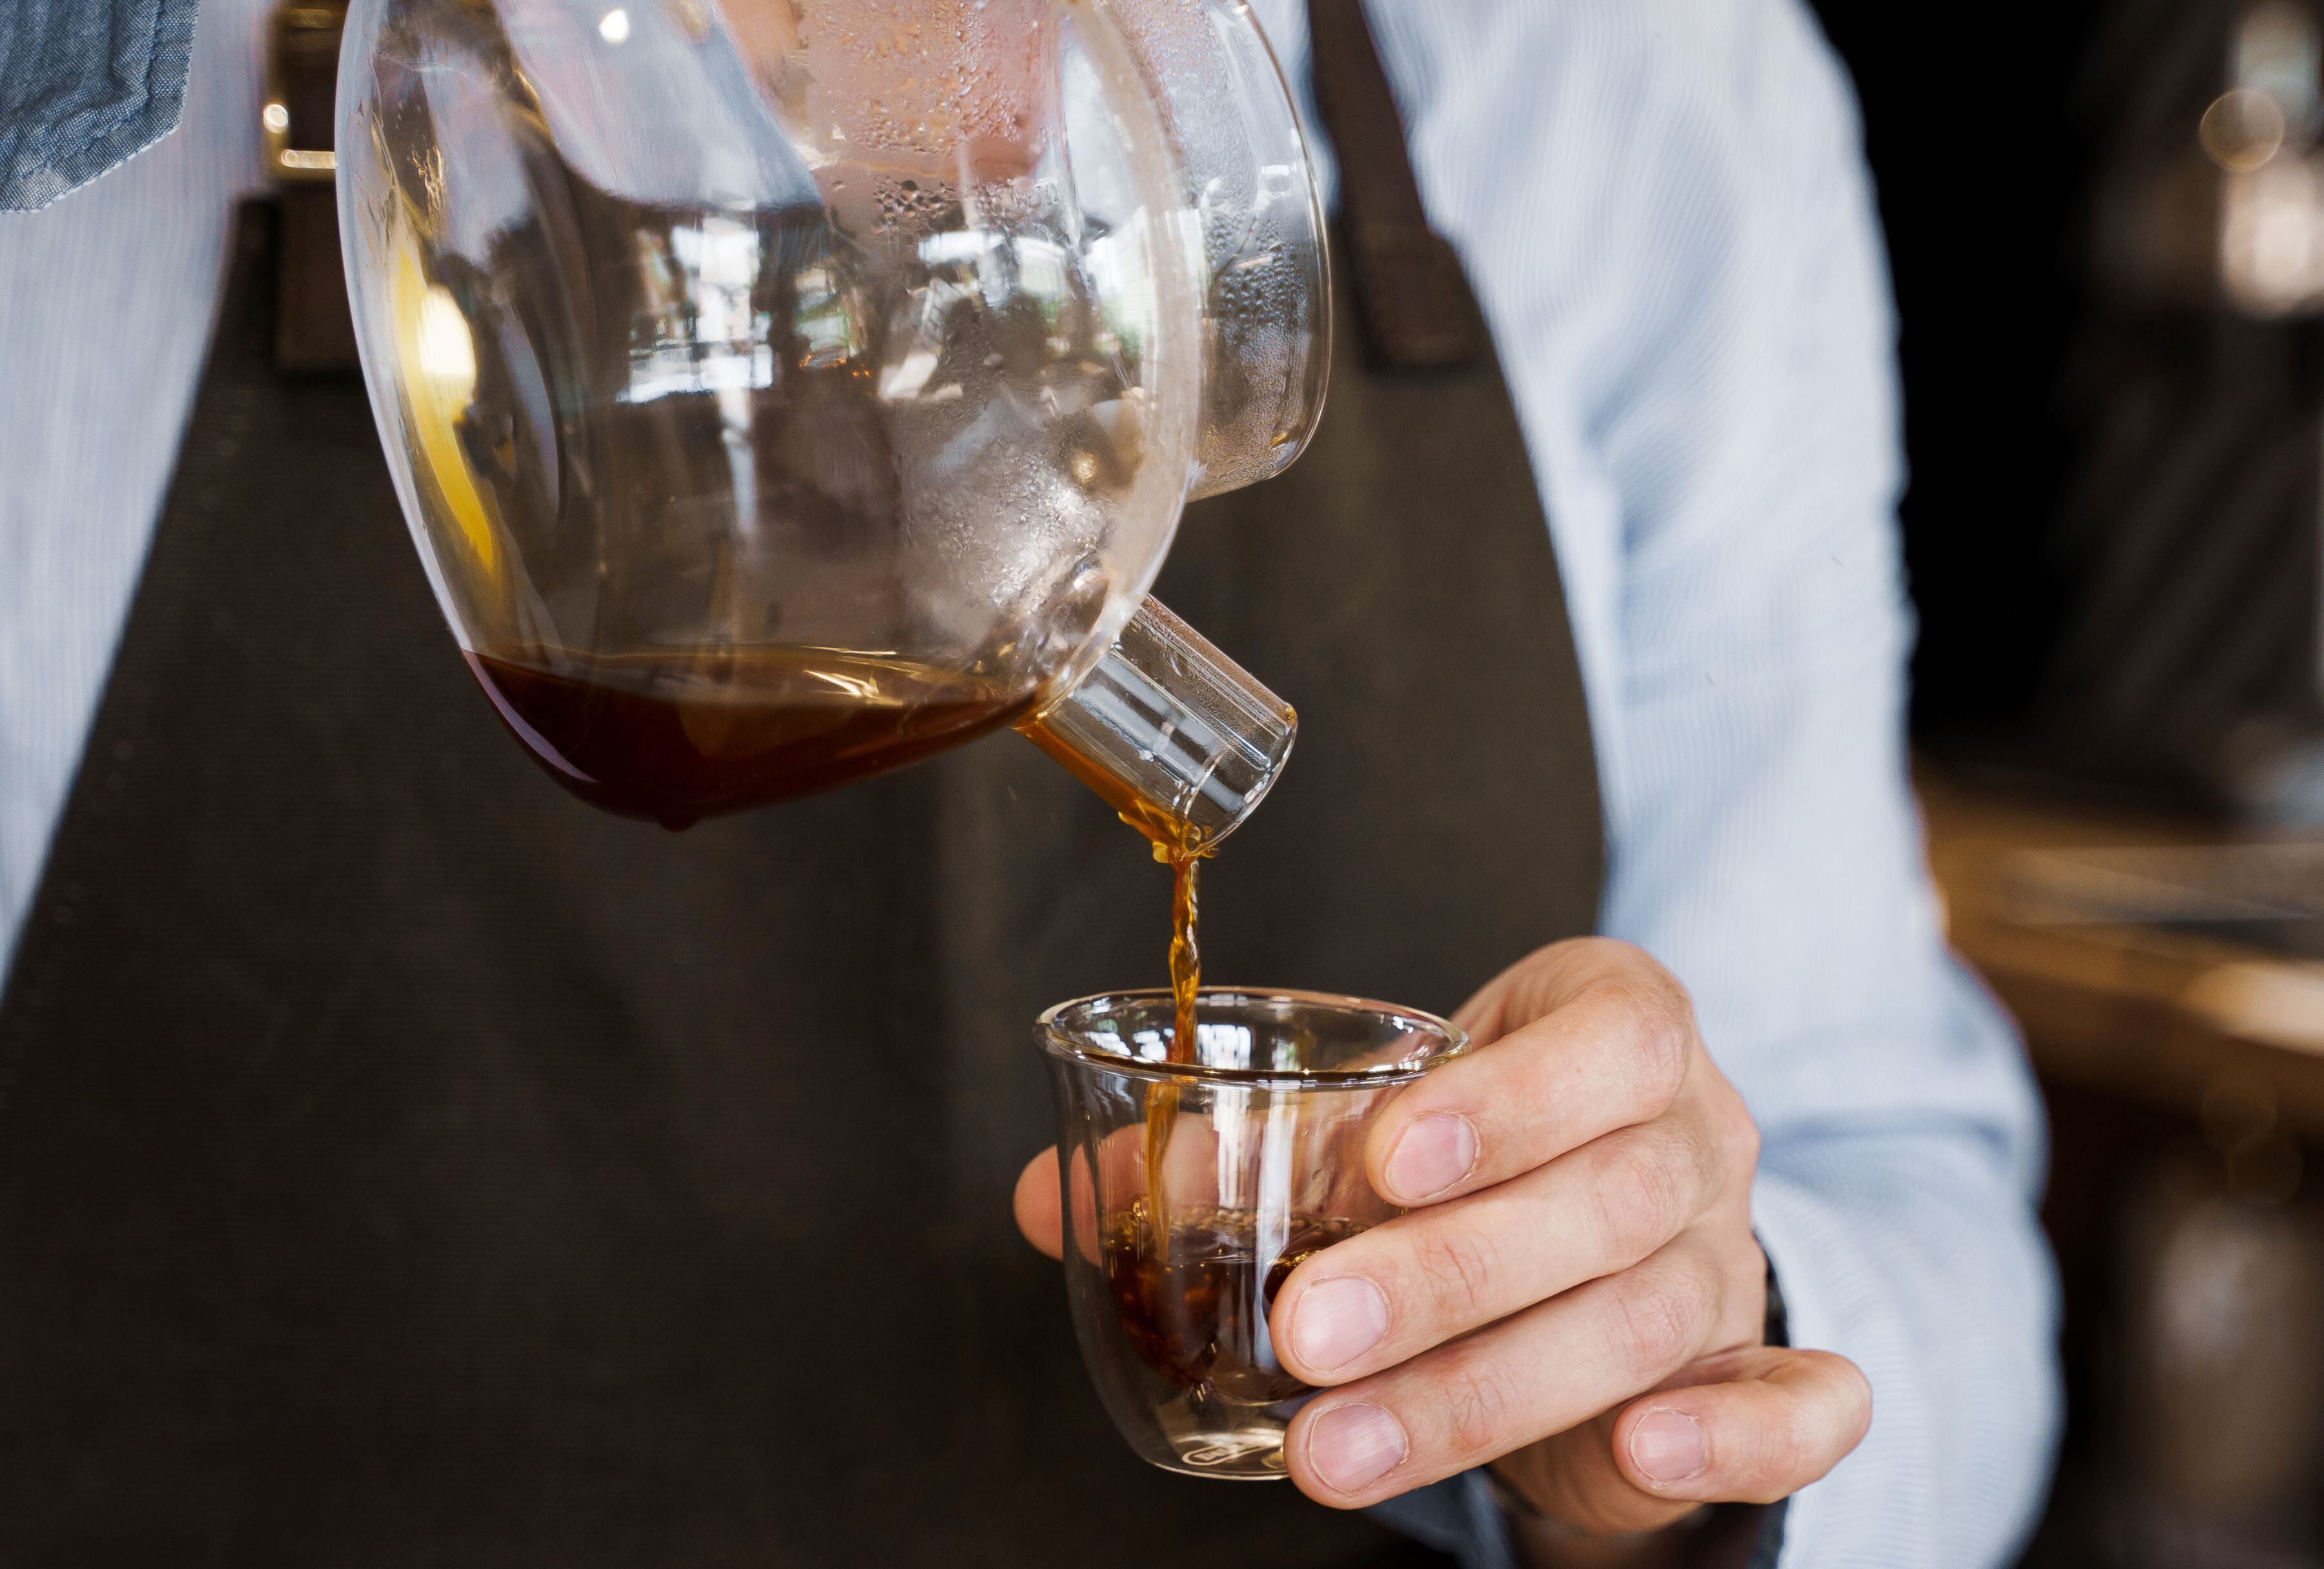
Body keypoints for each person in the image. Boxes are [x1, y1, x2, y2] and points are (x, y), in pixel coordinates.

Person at [0, 2, 2056, 1566]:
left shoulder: (1615, 80)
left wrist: (1676, 1400)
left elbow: (1923, 1225)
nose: (988, 119)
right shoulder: (82, 120)